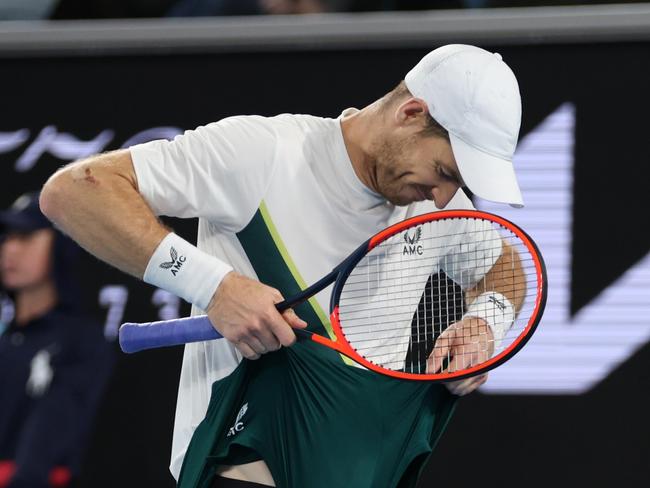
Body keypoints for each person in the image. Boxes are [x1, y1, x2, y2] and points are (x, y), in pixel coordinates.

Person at [40, 44, 525, 488]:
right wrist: (215, 286)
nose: (444, 196)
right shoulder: (263, 152)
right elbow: (75, 191)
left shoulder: (441, 206)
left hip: (358, 466)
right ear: (411, 113)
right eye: (444, 172)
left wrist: (485, 322)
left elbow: (505, 267)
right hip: (242, 462)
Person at [0, 192, 113, 488]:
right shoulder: (6, 337)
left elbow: (50, 433)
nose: (10, 249)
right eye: (7, 237)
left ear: (61, 244)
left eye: (25, 236)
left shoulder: (81, 343)